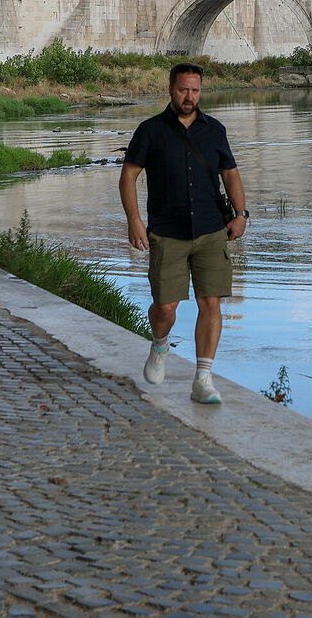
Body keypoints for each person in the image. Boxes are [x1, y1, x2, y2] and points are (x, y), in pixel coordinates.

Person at [120, 63, 248, 405]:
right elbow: (128, 175)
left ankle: (203, 379)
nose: (189, 97)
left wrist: (241, 215)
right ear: (170, 89)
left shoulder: (215, 130)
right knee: (165, 306)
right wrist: (134, 220)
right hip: (167, 231)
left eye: (195, 90)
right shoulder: (150, 131)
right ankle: (160, 344)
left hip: (211, 229)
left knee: (211, 302)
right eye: (183, 90)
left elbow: (230, 174)